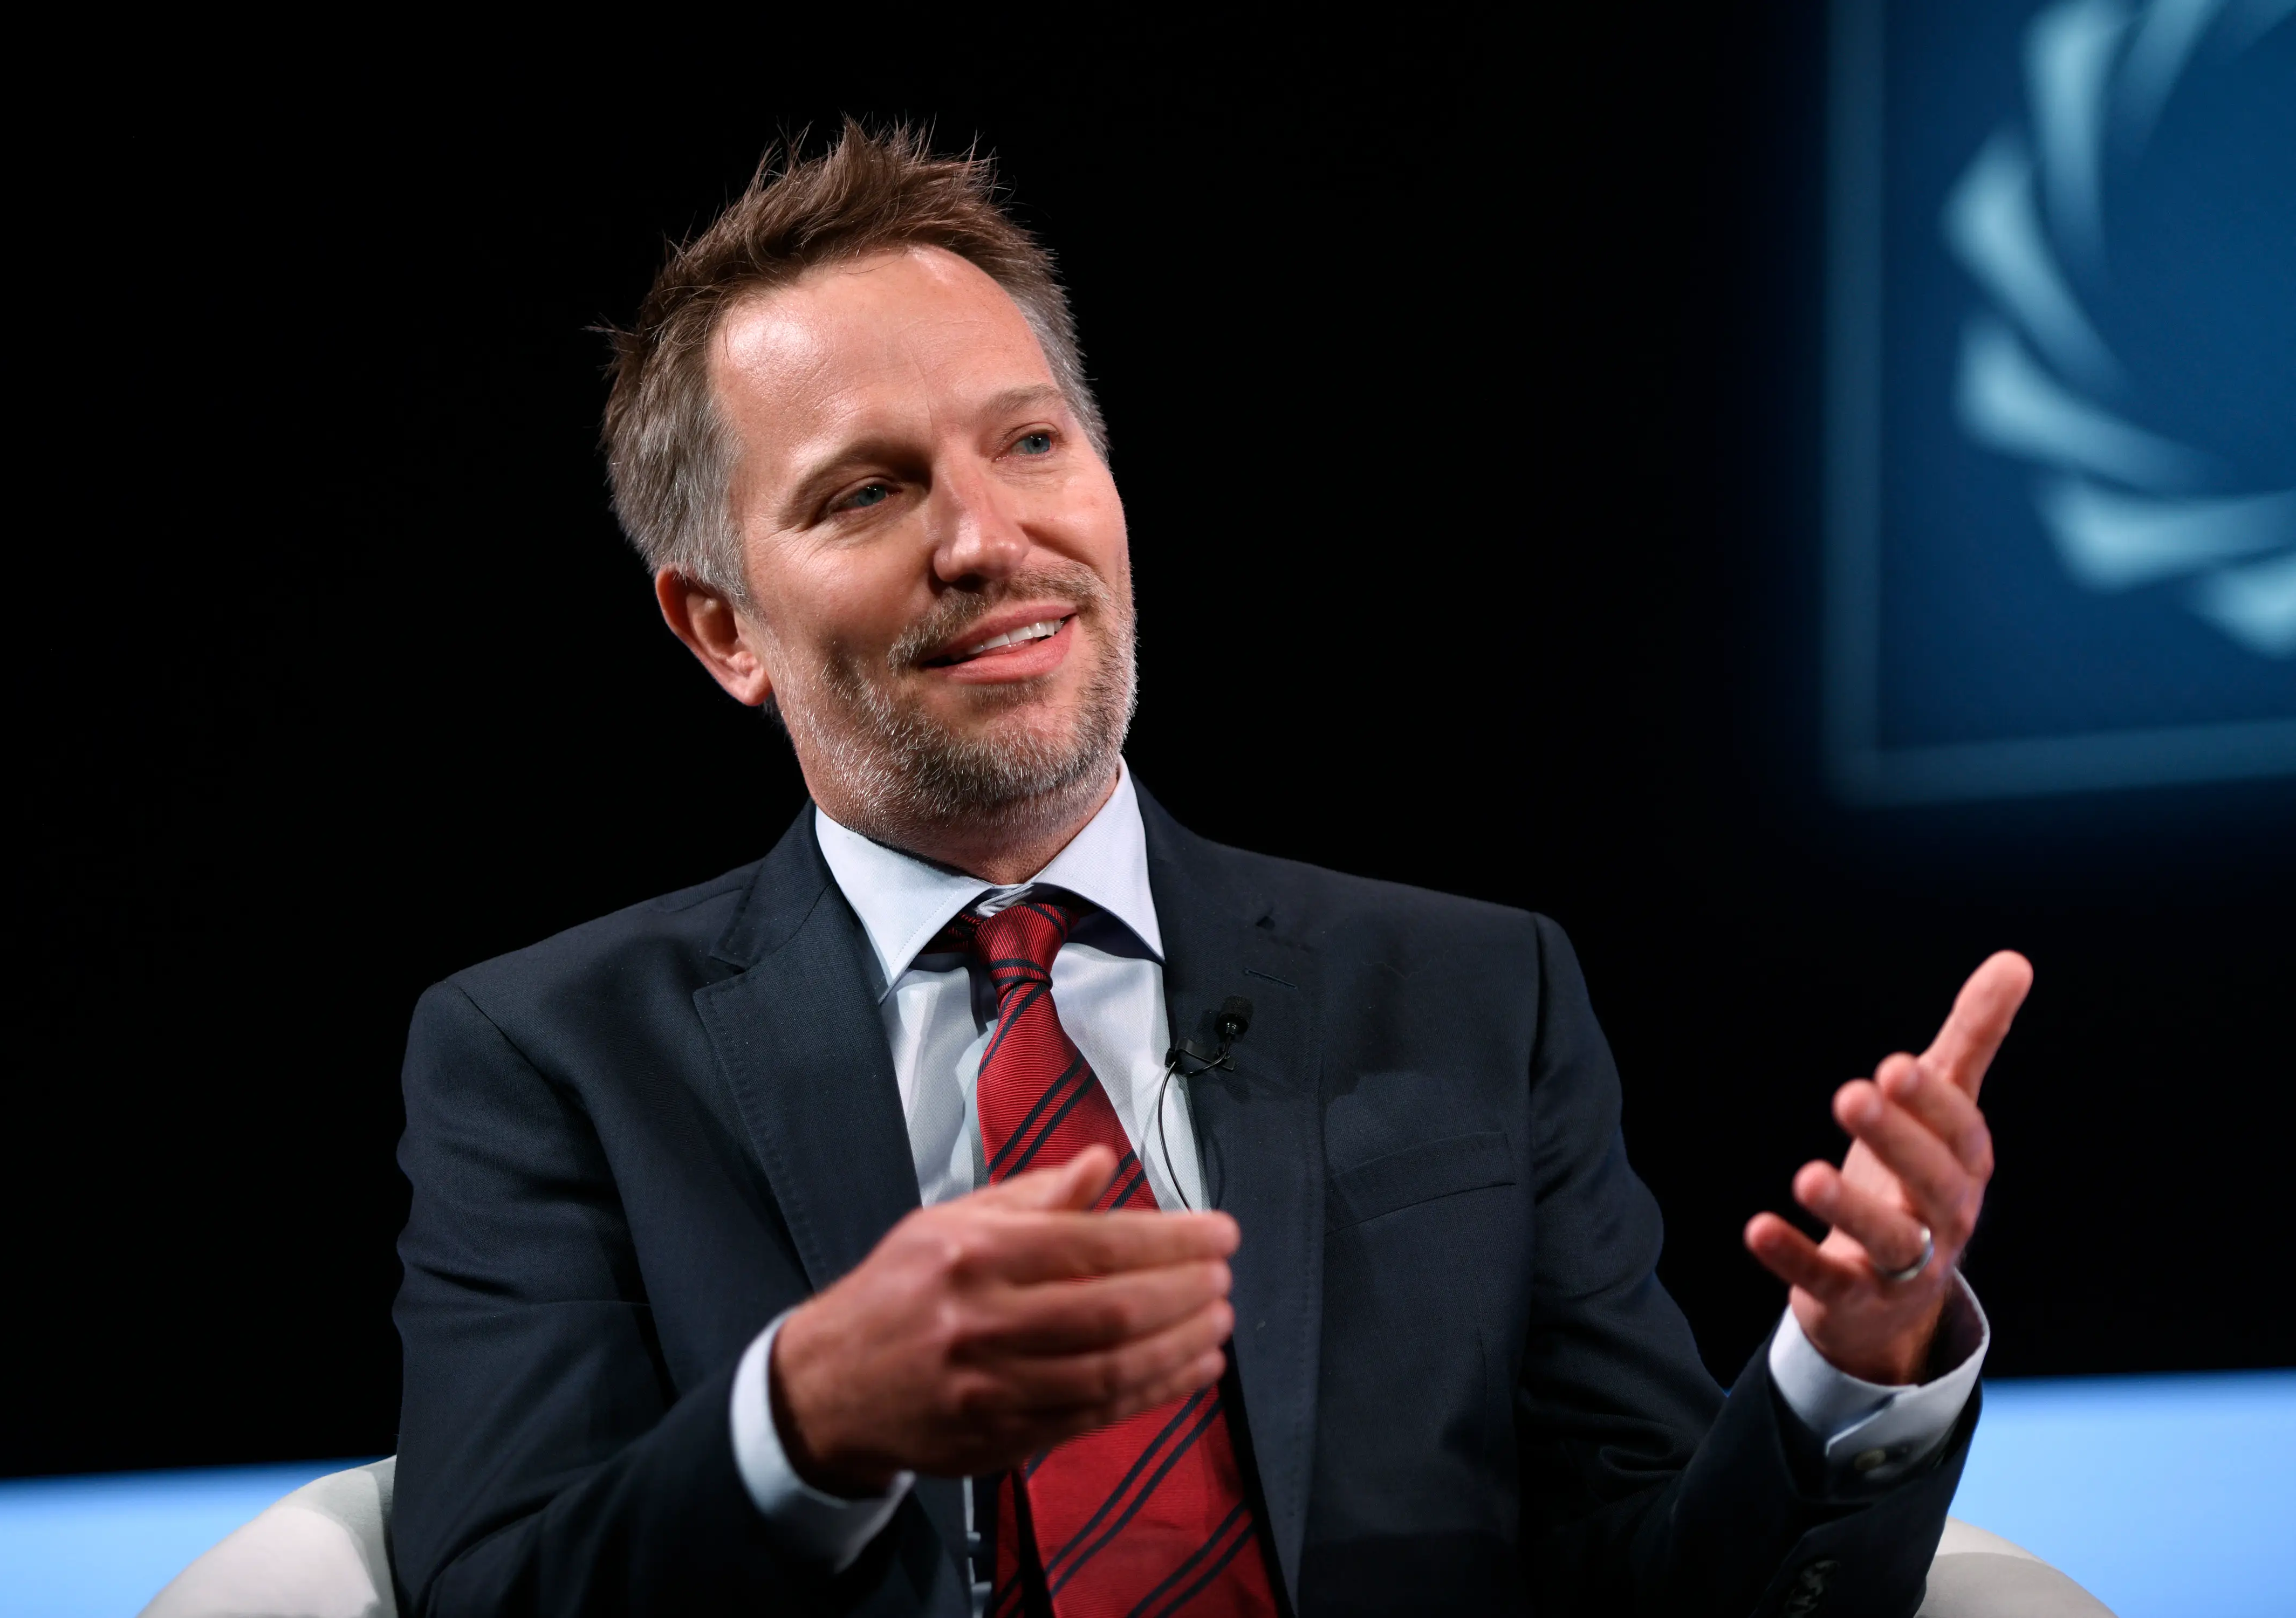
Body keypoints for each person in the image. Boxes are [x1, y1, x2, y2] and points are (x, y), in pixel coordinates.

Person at [390, 124, 2031, 1617]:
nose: (985, 538)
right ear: (723, 628)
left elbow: (1661, 1588)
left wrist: (1852, 1365)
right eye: (869, 490)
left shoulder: (1469, 994)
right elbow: (496, 1595)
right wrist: (804, 1420)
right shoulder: (552, 1058)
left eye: (1027, 443)